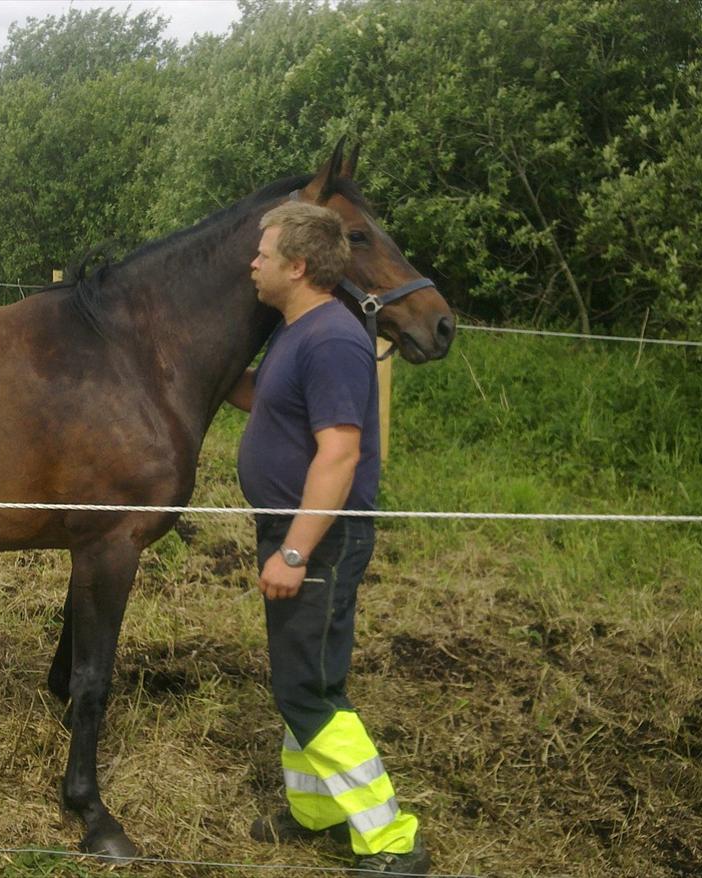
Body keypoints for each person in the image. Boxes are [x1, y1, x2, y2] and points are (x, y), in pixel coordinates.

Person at [226, 201, 428, 874]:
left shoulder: (334, 339)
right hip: (290, 533)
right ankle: (313, 810)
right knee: (301, 678)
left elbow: (338, 454)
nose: (252, 262)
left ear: (299, 265)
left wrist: (295, 550)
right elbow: (273, 401)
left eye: (264, 252)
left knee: (308, 689)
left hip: (315, 542)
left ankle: (391, 838)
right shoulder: (296, 330)